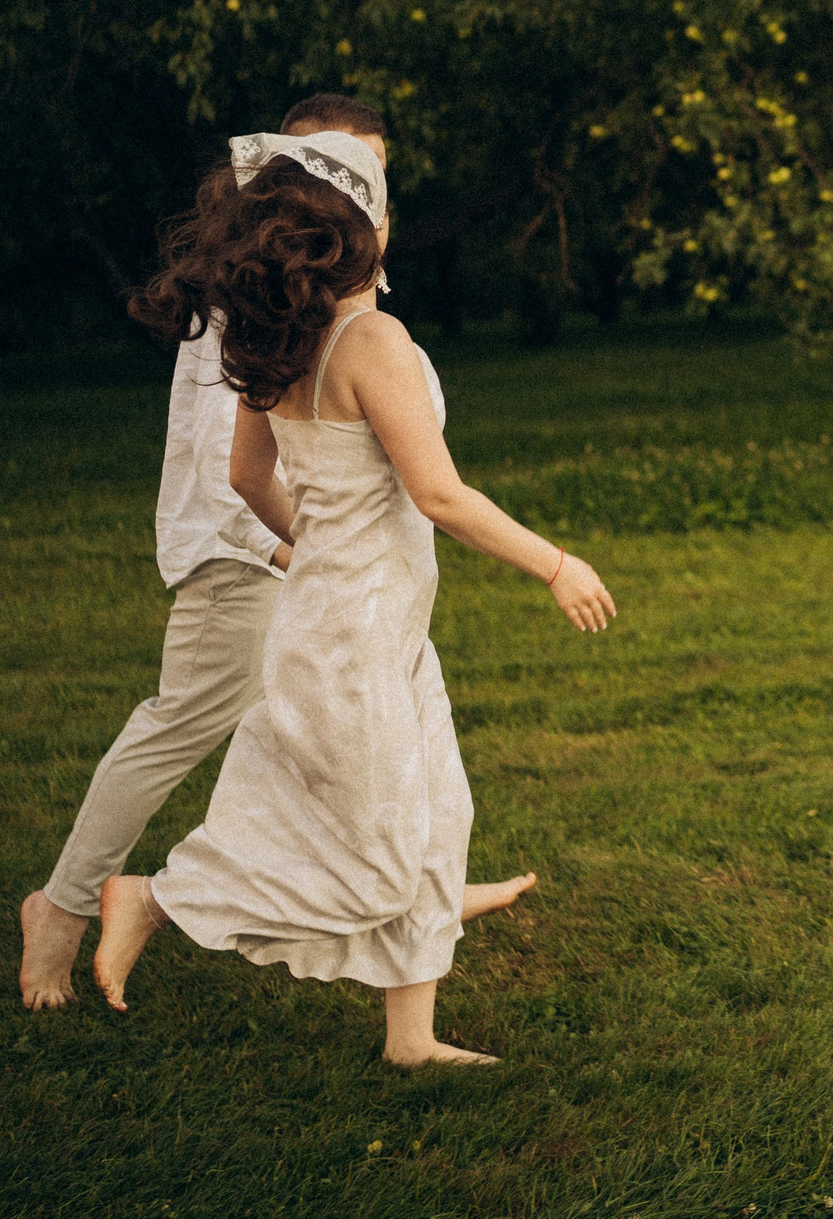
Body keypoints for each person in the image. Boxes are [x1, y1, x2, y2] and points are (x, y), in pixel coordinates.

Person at [90, 124, 614, 1067]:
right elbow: (439, 492)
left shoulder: (281, 335)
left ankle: (411, 1038)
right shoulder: (373, 339)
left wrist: (323, 546)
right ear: (362, 227)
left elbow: (250, 479)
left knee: (435, 812)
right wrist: (556, 564)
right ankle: (160, 898)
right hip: (357, 633)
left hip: (363, 619)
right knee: (374, 853)